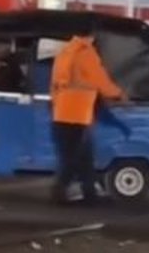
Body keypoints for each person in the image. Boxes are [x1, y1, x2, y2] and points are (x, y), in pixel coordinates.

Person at [49, 26, 129, 205]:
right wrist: (118, 94)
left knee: (84, 156)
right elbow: (100, 79)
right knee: (73, 157)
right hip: (77, 114)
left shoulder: (65, 51)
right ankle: (58, 194)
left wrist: (56, 104)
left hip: (63, 112)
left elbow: (54, 83)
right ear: (92, 36)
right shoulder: (86, 53)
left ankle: (89, 193)